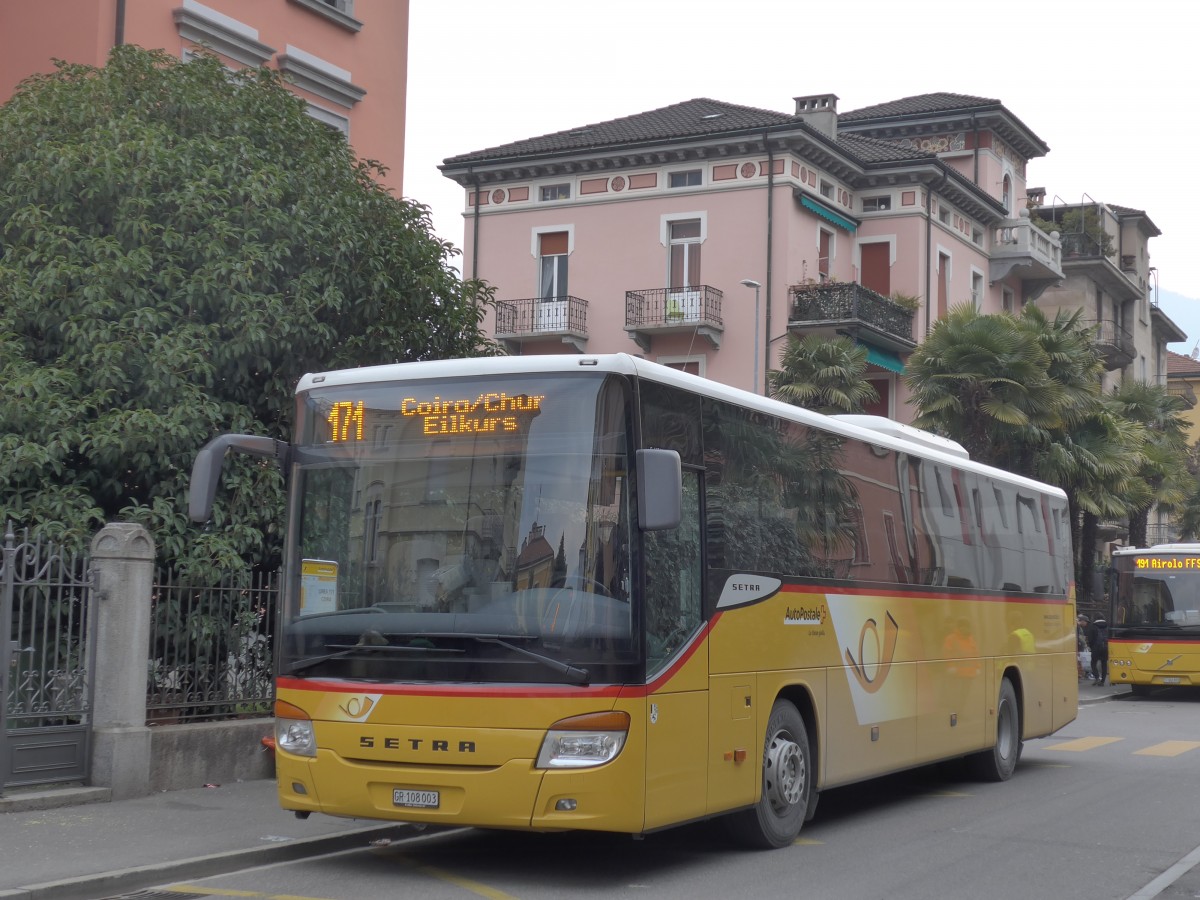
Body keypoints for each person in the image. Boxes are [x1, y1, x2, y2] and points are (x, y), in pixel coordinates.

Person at [1087, 615, 1109, 685]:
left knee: (1093, 663)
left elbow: (1090, 639)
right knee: (1104, 664)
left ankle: (1097, 677)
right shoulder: (1107, 626)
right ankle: (1102, 681)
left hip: (1096, 648)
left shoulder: (1093, 626)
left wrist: (1091, 647)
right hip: (1106, 647)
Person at [1076, 614, 1090, 680]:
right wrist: (1085, 645)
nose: (1086, 624)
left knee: (1078, 661)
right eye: (1086, 622)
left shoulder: (1078, 626)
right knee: (1078, 661)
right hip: (1078, 647)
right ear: (1083, 621)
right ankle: (1078, 675)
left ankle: (1079, 675)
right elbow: (1080, 638)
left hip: (1078, 647)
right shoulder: (1078, 627)